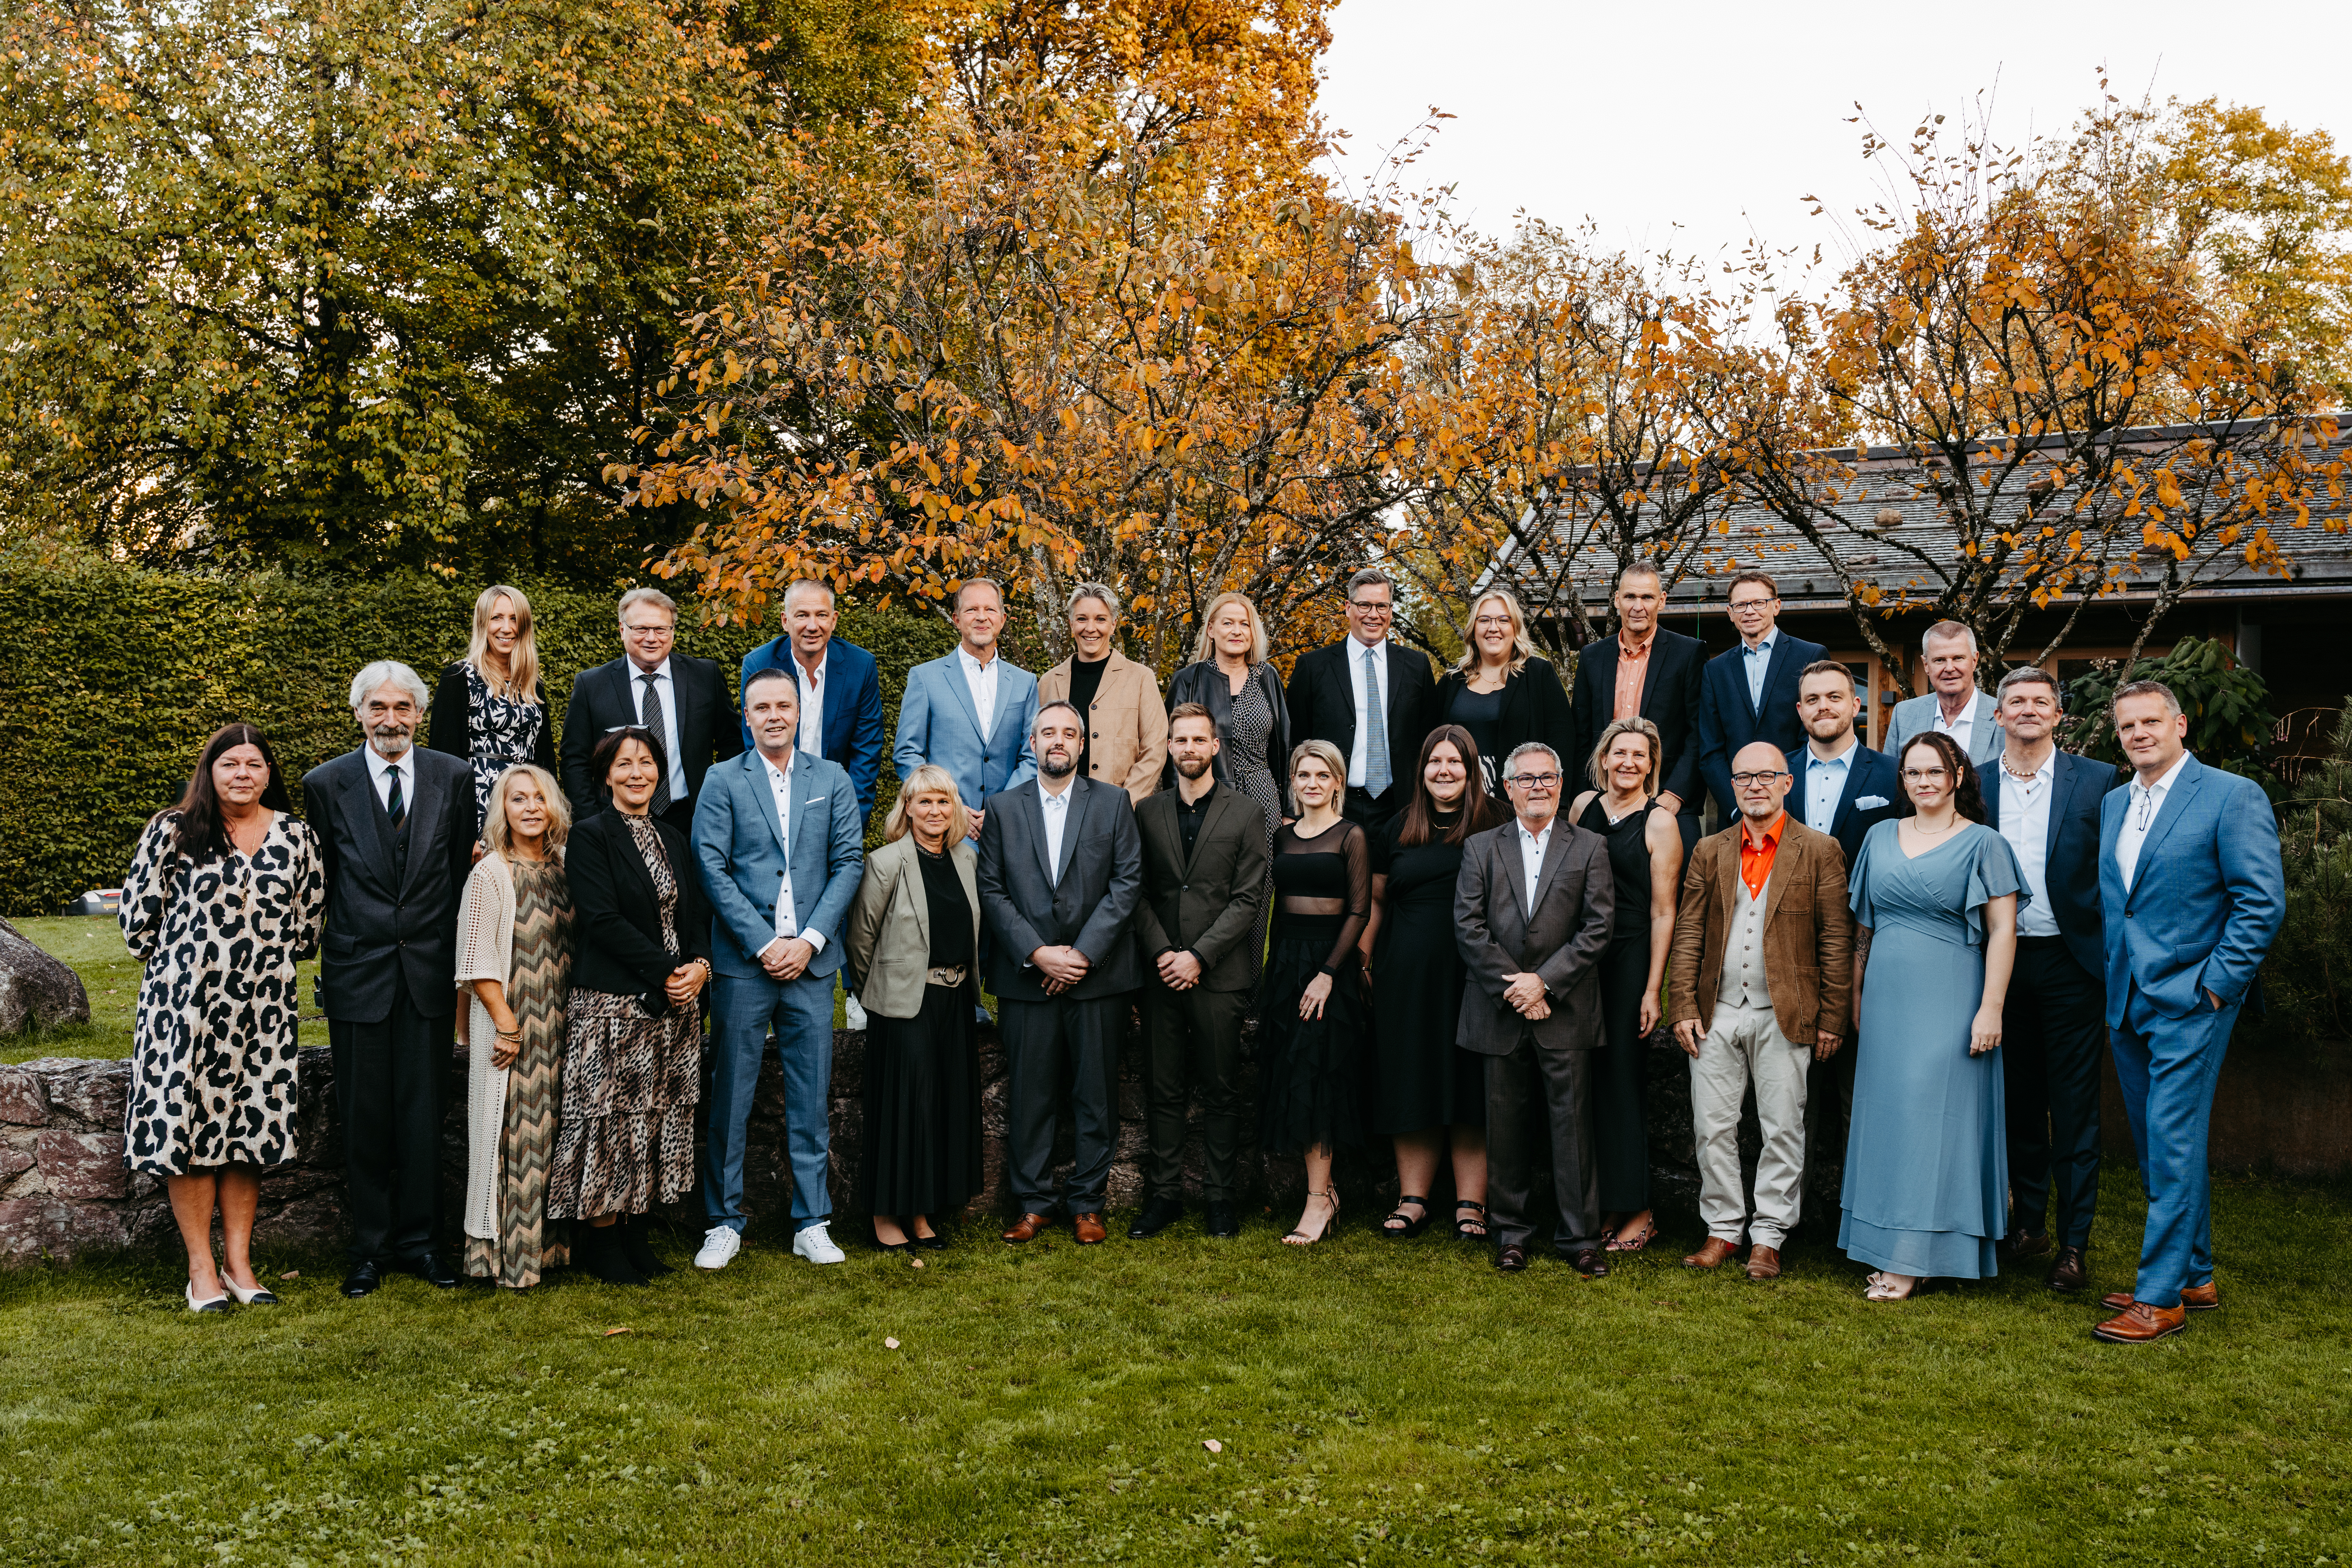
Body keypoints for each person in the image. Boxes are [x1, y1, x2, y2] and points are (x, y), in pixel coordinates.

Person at [2091, 680, 2284, 1343]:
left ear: (2178, 725)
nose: (2138, 734)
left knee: (2171, 1140)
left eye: (2150, 721)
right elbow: (2120, 902)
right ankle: (2194, 1276)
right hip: (2126, 998)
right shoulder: (2115, 802)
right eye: (2126, 726)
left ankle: (2158, 1299)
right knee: (2156, 1145)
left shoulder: (2231, 795)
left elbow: (2260, 902)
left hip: (2191, 1000)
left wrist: (2215, 987)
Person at [120, 725, 325, 1312]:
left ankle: (239, 1265)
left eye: (254, 764)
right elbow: (137, 924)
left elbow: (307, 927)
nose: (242, 774)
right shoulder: (175, 830)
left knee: (249, 1130)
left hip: (263, 1009)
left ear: (269, 774)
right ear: (209, 771)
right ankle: (201, 1270)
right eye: (230, 763)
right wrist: (191, 962)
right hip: (183, 1009)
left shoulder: (297, 837)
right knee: (186, 1130)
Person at [307, 661, 478, 1298]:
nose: (390, 719)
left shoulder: (453, 777)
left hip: (428, 971)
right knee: (365, 1118)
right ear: (358, 713)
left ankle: (423, 1243)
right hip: (358, 972)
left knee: (423, 1115)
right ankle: (369, 1248)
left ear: (420, 714)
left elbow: (459, 878)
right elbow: (322, 882)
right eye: (377, 707)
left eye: (402, 707)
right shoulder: (325, 784)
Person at [690, 669, 865, 1271]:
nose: (773, 715)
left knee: (810, 1098)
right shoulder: (722, 779)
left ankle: (811, 1221)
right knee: (730, 1096)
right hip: (745, 966)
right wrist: (765, 943)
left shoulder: (831, 778)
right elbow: (710, 866)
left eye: (783, 706)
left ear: (798, 713)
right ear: (747, 717)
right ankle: (723, 1221)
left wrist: (810, 941)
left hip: (811, 967)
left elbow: (848, 862)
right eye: (761, 707)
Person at [1840, 730, 2024, 1300]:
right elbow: (1863, 925)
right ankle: (1884, 1241)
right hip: (1885, 998)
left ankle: (1916, 1257)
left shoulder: (1984, 844)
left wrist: (1990, 1008)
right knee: (1888, 1118)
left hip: (1951, 994)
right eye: (1912, 772)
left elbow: (2002, 931)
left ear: (1957, 776)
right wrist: (1854, 993)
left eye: (1934, 771)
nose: (1923, 781)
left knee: (1934, 1121)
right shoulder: (1878, 836)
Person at [1666, 742, 1854, 1281]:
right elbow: (1688, 931)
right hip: (1717, 1008)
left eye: (1766, 775)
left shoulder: (1819, 850)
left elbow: (1835, 939)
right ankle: (1722, 1229)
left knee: (1783, 1128)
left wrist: (1831, 1016)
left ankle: (1768, 1236)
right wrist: (1681, 1003)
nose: (1754, 785)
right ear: (1731, 785)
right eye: (1743, 777)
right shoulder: (1710, 850)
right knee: (1710, 1126)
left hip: (1784, 1011)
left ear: (1786, 783)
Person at [550, 726, 714, 1286]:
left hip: (673, 1007)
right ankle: (602, 1241)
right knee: (609, 1121)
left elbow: (695, 912)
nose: (637, 773)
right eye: (624, 764)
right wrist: (667, 972)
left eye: (646, 762)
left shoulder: (672, 836)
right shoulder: (590, 836)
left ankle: (636, 1233)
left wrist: (699, 965)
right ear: (605, 775)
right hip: (613, 1007)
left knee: (654, 1120)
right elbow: (601, 920)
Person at [977, 702, 1144, 1245]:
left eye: (1068, 733)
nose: (1058, 741)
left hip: (1098, 978)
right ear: (1032, 743)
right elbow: (991, 888)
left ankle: (1087, 1203)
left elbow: (1126, 882)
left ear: (1081, 744)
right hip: (1027, 978)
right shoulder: (1002, 808)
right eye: (1047, 732)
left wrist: (1080, 955)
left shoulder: (1113, 802)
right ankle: (1033, 1203)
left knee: (1095, 1095)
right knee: (1031, 1095)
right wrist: (1037, 953)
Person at [1980, 665, 2119, 1293]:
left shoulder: (2097, 781)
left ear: (2058, 715)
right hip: (1997, 965)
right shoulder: (1974, 783)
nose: (2028, 710)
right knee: (2015, 1102)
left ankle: (2073, 1243)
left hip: (2071, 961)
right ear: (1998, 715)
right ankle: (2027, 1224)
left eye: (2040, 701)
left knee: (2072, 1108)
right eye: (2016, 701)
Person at [1453, 742, 1616, 1275]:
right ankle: (1511, 1234)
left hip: (1564, 1008)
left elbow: (1598, 927)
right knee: (1504, 1127)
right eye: (1526, 778)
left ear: (1561, 783)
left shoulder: (1589, 846)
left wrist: (1543, 983)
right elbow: (1468, 926)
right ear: (1508, 788)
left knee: (1572, 1129)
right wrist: (1517, 989)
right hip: (1499, 1009)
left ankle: (1580, 1239)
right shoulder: (1481, 847)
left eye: (1547, 777)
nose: (1537, 786)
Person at [1127, 705, 1270, 1242]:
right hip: (1160, 972)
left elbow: (1248, 897)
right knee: (1162, 1088)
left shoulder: (1246, 813)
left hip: (1218, 974)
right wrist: (1164, 953)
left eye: (1198, 739)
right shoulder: (1146, 812)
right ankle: (1163, 1195)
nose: (1188, 748)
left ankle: (1219, 1198)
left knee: (1220, 1090)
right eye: (1179, 740)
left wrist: (1198, 956)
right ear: (1169, 747)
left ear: (1215, 746)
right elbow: (1136, 890)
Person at [1360, 725, 1500, 1244]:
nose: (1443, 771)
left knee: (1468, 1081)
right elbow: (1376, 900)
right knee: (1411, 1077)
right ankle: (1412, 1199)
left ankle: (1470, 1203)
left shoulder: (1497, 821)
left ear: (1471, 770)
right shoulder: (1397, 826)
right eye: (1434, 762)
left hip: (1475, 974)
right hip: (1406, 975)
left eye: (1454, 762)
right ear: (1421, 770)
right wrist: (1364, 962)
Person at [846, 764, 984, 1253]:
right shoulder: (885, 862)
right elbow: (860, 941)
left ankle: (921, 1213)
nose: (934, 810)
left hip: (955, 999)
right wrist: (879, 995)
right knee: (905, 1111)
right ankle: (885, 1215)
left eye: (943, 800)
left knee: (940, 1107)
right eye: (924, 801)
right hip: (904, 1004)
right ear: (906, 807)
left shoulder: (966, 858)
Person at [454, 764, 574, 1290]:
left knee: (554, 1134)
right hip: (515, 1024)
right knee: (514, 1136)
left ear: (553, 807)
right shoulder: (490, 873)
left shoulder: (564, 866)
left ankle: (549, 1250)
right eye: (517, 798)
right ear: (502, 808)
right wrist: (505, 1023)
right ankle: (507, 1258)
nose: (530, 807)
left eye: (539, 797)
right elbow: (475, 959)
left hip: (564, 1022)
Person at [1568, 718, 1683, 1256]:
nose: (1628, 763)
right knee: (1587, 1079)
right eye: (1620, 753)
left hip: (1631, 953)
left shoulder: (1659, 822)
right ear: (1604, 758)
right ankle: (1605, 1204)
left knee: (1621, 1077)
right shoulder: (1581, 808)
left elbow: (1664, 911)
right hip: (1581, 956)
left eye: (1639, 755)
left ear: (1650, 765)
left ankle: (1638, 1209)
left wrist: (1651, 988)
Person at [1256, 739, 1374, 1245]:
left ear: (1337, 783)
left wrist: (1327, 972)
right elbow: (1276, 906)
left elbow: (1359, 910)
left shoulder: (1351, 835)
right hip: (1286, 965)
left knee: (1318, 1077)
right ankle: (1322, 1194)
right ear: (1292, 781)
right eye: (1303, 774)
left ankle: (1317, 1200)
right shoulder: (1281, 837)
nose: (1311, 783)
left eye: (1322, 775)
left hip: (1330, 969)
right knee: (1291, 1074)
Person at [559, 588, 742, 834]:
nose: (652, 638)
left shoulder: (705, 677)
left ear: (672, 631)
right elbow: (575, 760)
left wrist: (721, 801)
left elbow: (732, 743)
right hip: (617, 822)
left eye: (660, 629)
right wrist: (593, 823)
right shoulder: (591, 685)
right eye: (641, 629)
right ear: (622, 630)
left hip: (695, 818)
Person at [1284, 568, 1437, 835]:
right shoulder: (1312, 667)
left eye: (1381, 606)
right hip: (1333, 806)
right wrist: (1291, 810)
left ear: (1390, 611)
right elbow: (1295, 742)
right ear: (1348, 608)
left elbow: (1429, 737)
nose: (1373, 615)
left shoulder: (1417, 665)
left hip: (1401, 806)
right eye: (1364, 605)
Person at [1568, 560, 1704, 859]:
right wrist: (1583, 798)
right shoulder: (1592, 657)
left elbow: (1699, 731)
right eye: (1630, 597)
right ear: (1617, 600)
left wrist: (1676, 794)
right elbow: (1581, 733)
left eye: (1647, 597)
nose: (1638, 607)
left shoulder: (1688, 653)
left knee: (1685, 879)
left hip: (1666, 797)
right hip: (1603, 799)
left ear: (1662, 601)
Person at [893, 577, 1039, 840]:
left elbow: (1032, 755)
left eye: (990, 609)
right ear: (957, 619)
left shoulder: (1025, 682)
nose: (982, 617)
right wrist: (950, 806)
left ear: (1002, 620)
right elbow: (907, 753)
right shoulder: (925, 678)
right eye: (972, 610)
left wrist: (1001, 809)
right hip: (946, 829)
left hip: (1009, 827)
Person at [737, 579, 887, 820]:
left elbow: (867, 751)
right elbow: (755, 744)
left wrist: (851, 819)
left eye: (821, 615)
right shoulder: (759, 664)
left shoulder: (861, 666)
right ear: (785, 621)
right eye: (802, 615)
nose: (812, 626)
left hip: (837, 800)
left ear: (834, 620)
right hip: (776, 798)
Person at [1697, 570, 1827, 821]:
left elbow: (1813, 737)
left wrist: (1786, 800)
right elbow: (1710, 750)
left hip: (1794, 806)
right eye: (1741, 605)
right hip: (1737, 812)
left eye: (1759, 603)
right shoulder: (1715, 670)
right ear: (1730, 613)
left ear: (1776, 606)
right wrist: (1735, 807)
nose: (1749, 611)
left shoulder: (1810, 657)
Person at [1163, 591, 1291, 843]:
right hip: (1204, 797)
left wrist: (1290, 810)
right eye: (1228, 623)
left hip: (1262, 796)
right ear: (1211, 630)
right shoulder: (1188, 679)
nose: (1237, 631)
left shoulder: (1267, 677)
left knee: (1260, 867)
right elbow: (1173, 752)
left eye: (1245, 624)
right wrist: (1177, 808)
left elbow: (1285, 746)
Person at [428, 584, 560, 827]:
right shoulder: (459, 678)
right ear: (482, 623)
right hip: (478, 805)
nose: (507, 628)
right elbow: (443, 761)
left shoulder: (533, 683)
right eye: (496, 618)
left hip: (529, 807)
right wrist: (458, 828)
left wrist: (551, 809)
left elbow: (545, 759)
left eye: (514, 619)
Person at [1433, 588, 1575, 803]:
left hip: (1520, 799)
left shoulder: (1539, 675)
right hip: (1459, 799)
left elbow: (1562, 741)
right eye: (1484, 620)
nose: (1493, 628)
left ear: (1515, 628)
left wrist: (1556, 802)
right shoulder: (1452, 680)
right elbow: (1432, 743)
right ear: (1473, 630)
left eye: (1503, 620)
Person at [1038, 582, 1168, 806]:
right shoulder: (1048, 682)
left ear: (1114, 624)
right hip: (1058, 807)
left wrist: (1122, 805)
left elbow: (1155, 750)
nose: (1091, 628)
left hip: (1118, 809)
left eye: (1100, 619)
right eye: (1082, 619)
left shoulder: (1140, 679)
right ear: (1071, 623)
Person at [1787, 660, 1903, 868]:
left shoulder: (1894, 773)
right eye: (1813, 700)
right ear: (1800, 710)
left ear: (1855, 706)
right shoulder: (1776, 773)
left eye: (1834, 697)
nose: (1823, 706)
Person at [1883, 621, 2000, 767]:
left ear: (1975, 660)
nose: (1950, 668)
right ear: (1926, 665)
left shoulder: (2004, 716)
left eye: (1958, 658)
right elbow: (1890, 775)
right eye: (1940, 660)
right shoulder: (1904, 714)